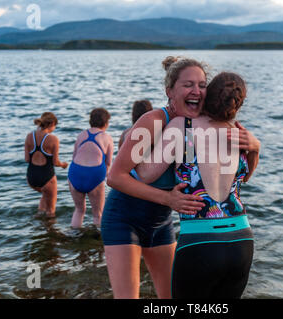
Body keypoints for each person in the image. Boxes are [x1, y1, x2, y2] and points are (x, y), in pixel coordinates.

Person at [135, 72, 260, 298]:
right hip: (242, 240)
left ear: (207, 94)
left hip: (200, 241)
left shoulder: (185, 129)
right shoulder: (240, 134)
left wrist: (137, 139)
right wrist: (256, 148)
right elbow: (246, 176)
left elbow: (145, 174)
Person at [102, 56, 209, 299]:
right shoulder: (152, 122)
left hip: (161, 223)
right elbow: (115, 177)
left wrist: (252, 145)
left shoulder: (192, 127)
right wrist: (168, 199)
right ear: (169, 91)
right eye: (188, 85)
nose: (197, 91)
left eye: (202, 85)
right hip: (123, 219)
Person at [68, 108, 114, 228]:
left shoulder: (81, 134)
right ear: (106, 123)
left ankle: (74, 236)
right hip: (94, 174)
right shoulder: (107, 138)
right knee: (98, 214)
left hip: (75, 173)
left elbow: (74, 156)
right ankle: (98, 242)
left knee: (79, 210)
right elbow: (108, 162)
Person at [25, 112, 68, 218]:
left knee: (45, 195)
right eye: (55, 126)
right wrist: (63, 165)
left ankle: (39, 219)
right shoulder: (53, 139)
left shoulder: (30, 136)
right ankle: (50, 231)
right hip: (46, 177)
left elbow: (27, 159)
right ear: (52, 123)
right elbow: (55, 162)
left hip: (31, 177)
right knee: (51, 211)